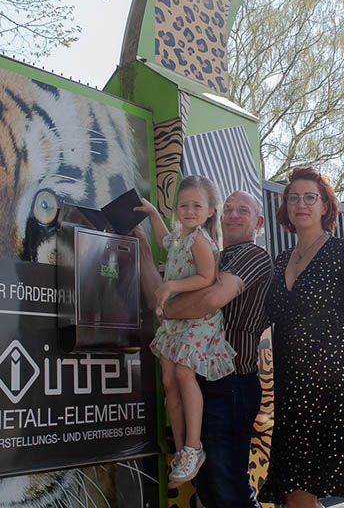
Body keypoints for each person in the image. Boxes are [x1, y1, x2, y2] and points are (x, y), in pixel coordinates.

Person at [135, 189, 273, 507]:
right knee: (209, 489)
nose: (234, 215)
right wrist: (143, 248)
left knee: (229, 490)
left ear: (259, 222)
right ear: (219, 216)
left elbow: (209, 301)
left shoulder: (253, 256)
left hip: (232, 384)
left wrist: (167, 306)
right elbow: (157, 294)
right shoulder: (210, 254)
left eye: (244, 211)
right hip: (201, 382)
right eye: (230, 209)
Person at [257, 166, 344, 508]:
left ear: (325, 206)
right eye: (294, 198)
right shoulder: (281, 260)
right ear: (286, 207)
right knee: (296, 494)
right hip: (292, 393)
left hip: (340, 392)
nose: (302, 204)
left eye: (310, 197)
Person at [134, 175, 236, 486]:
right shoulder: (181, 237)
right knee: (168, 379)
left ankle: (194, 446)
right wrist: (153, 214)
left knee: (183, 373)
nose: (189, 210)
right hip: (176, 322)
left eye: (196, 205)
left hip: (196, 321)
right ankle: (181, 450)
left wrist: (172, 285)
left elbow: (207, 277)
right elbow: (165, 240)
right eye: (183, 205)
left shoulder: (201, 240)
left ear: (209, 211)